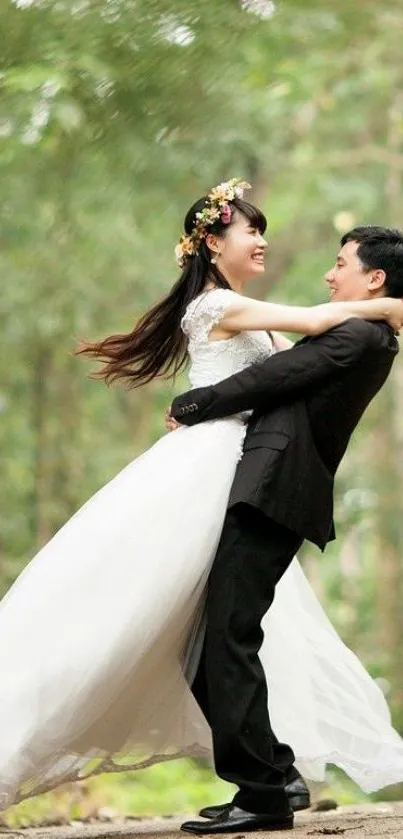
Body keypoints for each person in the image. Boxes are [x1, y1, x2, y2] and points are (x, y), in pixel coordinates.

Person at [0, 181, 402, 819]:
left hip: (241, 473)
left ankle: (269, 778)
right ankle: (266, 777)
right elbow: (316, 327)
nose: (262, 239)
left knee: (219, 633)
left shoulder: (247, 307)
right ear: (213, 244)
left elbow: (290, 370)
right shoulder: (214, 306)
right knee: (177, 624)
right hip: (204, 472)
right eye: (250, 231)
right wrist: (390, 308)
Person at [168, 220, 403, 834]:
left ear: (373, 279)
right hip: (264, 487)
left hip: (273, 490)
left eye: (340, 264)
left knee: (229, 635)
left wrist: (193, 404)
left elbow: (270, 378)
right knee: (216, 635)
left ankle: (265, 793)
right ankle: (273, 777)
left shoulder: (361, 335)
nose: (330, 274)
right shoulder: (366, 330)